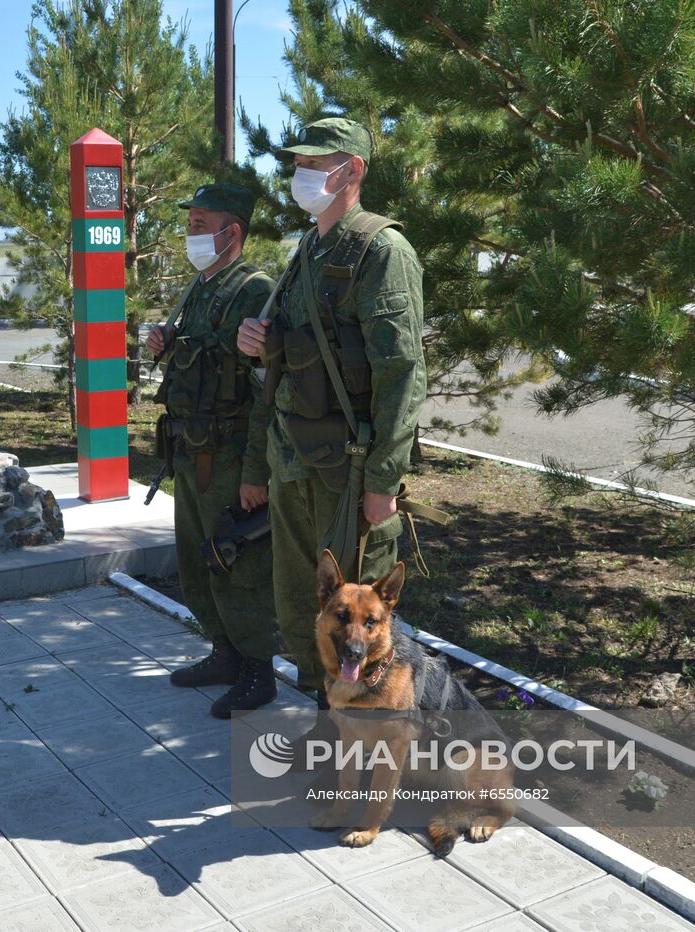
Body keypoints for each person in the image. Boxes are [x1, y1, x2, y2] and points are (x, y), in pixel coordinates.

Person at [236, 118, 426, 706]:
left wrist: (383, 480)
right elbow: (299, 353)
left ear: (354, 171)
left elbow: (401, 374)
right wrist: (260, 342)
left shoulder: (380, 251)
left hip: (348, 467)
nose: (304, 175)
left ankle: (372, 737)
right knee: (302, 600)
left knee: (358, 617)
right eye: (301, 164)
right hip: (294, 457)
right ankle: (329, 714)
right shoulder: (307, 252)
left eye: (319, 164)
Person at [147, 183, 280, 718]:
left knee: (236, 564)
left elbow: (263, 390)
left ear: (234, 232)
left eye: (201, 224)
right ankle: (223, 654)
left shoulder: (254, 290)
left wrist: (256, 473)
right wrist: (165, 344)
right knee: (196, 564)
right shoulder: (199, 290)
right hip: (189, 454)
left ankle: (257, 672)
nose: (191, 234)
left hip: (229, 458)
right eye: (191, 224)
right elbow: (201, 369)